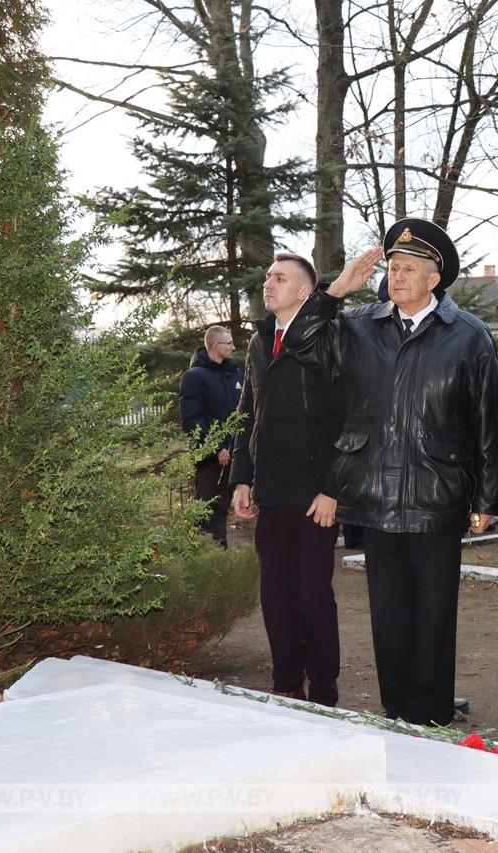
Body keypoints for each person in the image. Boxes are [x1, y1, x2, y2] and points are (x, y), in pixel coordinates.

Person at [284, 218, 498, 727]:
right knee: (388, 615)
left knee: (433, 615)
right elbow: (299, 343)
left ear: (434, 279)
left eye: (409, 269)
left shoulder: (467, 336)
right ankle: (397, 712)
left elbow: (488, 423)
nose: (397, 276)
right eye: (394, 268)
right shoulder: (361, 325)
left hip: (438, 496)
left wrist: (485, 501)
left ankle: (430, 715)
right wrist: (337, 290)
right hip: (377, 496)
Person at [229, 253, 345, 706]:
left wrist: (333, 487)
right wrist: (242, 479)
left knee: (313, 594)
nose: (268, 283)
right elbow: (247, 414)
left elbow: (348, 418)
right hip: (271, 490)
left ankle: (325, 690)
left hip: (315, 493)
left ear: (305, 292)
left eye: (280, 278)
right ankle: (287, 682)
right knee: (276, 595)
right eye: (267, 277)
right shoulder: (260, 342)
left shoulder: (327, 339)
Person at [179, 326, 243, 548]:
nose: (233, 347)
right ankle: (206, 558)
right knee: (207, 508)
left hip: (234, 452)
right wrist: (216, 448)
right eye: (228, 343)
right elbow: (191, 420)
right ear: (215, 345)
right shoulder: (194, 377)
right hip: (209, 457)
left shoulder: (236, 374)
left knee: (223, 505)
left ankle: (220, 556)